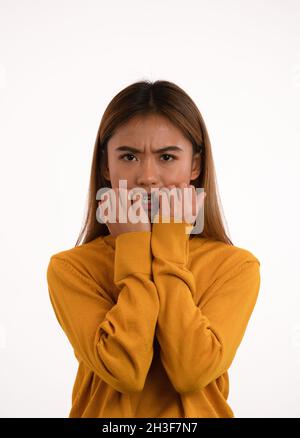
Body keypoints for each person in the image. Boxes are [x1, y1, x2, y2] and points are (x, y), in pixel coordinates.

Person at [46, 79, 261, 418]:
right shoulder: (72, 269)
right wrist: (133, 246)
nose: (147, 176)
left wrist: (169, 244)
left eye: (166, 157)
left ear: (195, 166)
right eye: (129, 156)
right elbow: (124, 370)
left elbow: (191, 372)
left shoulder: (234, 267)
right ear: (105, 166)